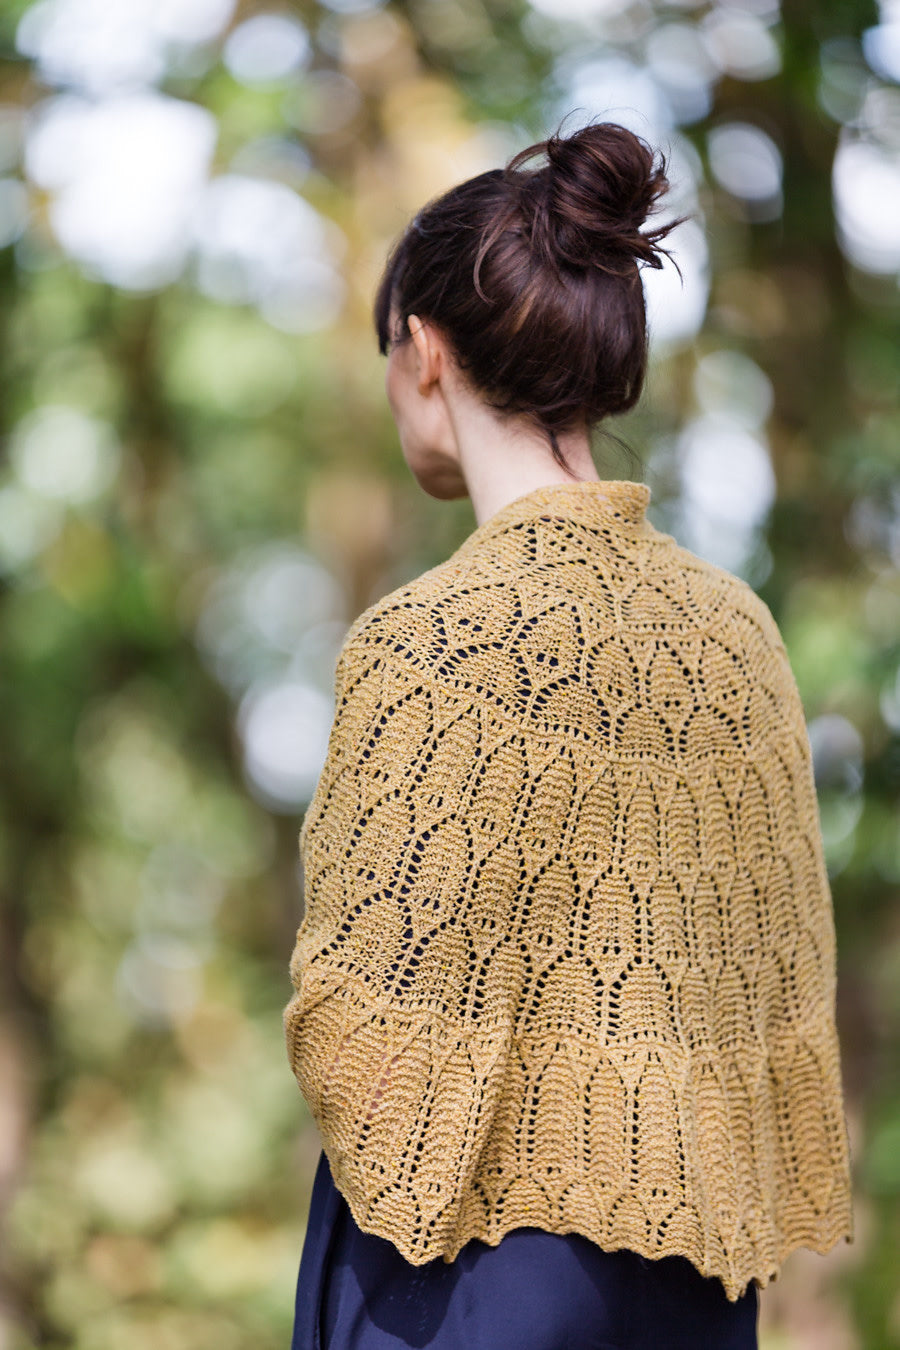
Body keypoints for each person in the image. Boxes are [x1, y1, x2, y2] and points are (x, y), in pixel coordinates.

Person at [283, 117, 853, 1349]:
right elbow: (782, 997)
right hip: (695, 1285)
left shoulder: (428, 643)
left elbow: (357, 1024)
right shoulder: (738, 637)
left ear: (425, 352)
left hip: (461, 1279)